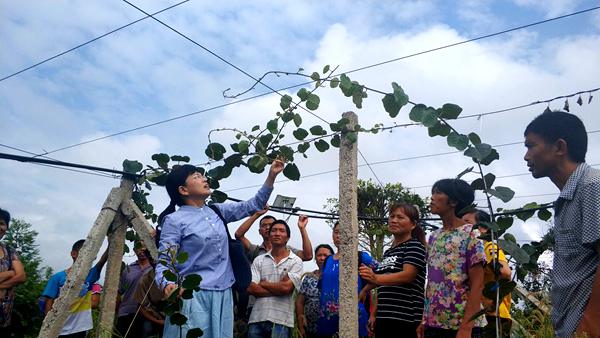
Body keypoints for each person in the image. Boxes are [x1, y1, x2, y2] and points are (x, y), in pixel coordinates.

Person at [155, 159, 284, 338]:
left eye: (202, 175)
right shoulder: (174, 220)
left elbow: (252, 205)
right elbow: (164, 261)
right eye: (196, 176)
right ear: (183, 190)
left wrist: (271, 176)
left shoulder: (217, 211)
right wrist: (167, 284)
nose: (203, 178)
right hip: (192, 296)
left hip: (224, 294)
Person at [524, 110, 600, 337]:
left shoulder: (591, 186)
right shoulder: (569, 195)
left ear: (559, 147)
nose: (526, 156)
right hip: (570, 325)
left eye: (531, 146)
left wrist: (590, 324)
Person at [417, 179, 486, 338]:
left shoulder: (471, 233)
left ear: (454, 201)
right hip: (433, 325)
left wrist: (466, 329)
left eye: (438, 193)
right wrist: (424, 319)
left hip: (462, 326)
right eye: (432, 192)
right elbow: (433, 282)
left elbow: (478, 283)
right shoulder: (434, 236)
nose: (432, 197)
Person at [359, 203, 426, 338]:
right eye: (392, 216)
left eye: (400, 217)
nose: (394, 220)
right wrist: (366, 291)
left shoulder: (415, 246)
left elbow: (408, 275)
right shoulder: (389, 252)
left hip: (405, 319)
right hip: (385, 318)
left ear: (413, 224)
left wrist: (376, 278)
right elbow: (383, 280)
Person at [317, 221, 377, 338]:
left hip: (354, 317)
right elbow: (322, 288)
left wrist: (365, 290)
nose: (339, 236)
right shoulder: (328, 260)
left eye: (344, 232)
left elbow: (383, 274)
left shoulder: (361, 256)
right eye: (336, 232)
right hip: (327, 320)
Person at [246, 219, 303, 338]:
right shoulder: (259, 260)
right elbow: (251, 288)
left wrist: (264, 283)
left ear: (287, 237)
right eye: (274, 231)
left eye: (281, 231)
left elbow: (286, 288)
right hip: (257, 318)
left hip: (281, 321)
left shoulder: (296, 261)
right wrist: (279, 288)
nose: (277, 233)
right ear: (269, 235)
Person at [42, 239, 109, 338]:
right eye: (85, 252)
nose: (89, 256)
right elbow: (49, 302)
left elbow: (102, 261)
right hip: (60, 328)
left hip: (81, 327)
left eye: (92, 254)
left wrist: (110, 242)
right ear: (73, 254)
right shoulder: (57, 278)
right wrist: (48, 326)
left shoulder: (90, 275)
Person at [462, 209, 512, 338]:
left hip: (493, 314)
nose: (462, 227)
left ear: (483, 228)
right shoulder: (471, 252)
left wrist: (492, 292)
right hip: (482, 313)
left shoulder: (490, 247)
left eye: (466, 222)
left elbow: (505, 273)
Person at [296, 244, 334, 338]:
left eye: (325, 255)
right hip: (310, 329)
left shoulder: (336, 277)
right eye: (319, 255)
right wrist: (300, 322)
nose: (322, 258)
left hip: (332, 329)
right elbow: (300, 301)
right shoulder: (308, 277)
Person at [115, 241, 153, 337]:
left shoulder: (156, 267)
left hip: (148, 314)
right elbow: (119, 291)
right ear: (134, 250)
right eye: (139, 247)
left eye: (145, 246)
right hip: (126, 313)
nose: (142, 250)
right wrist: (117, 311)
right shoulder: (128, 270)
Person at [0, 208, 26, 332]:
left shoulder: (10, 252)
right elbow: (16, 274)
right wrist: (10, 273)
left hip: (4, 318)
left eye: (2, 223)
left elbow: (21, 276)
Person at [132, 250, 164, 338]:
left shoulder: (178, 274)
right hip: (155, 318)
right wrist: (159, 322)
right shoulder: (145, 280)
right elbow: (141, 308)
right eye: (150, 258)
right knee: (146, 329)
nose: (153, 261)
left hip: (174, 317)